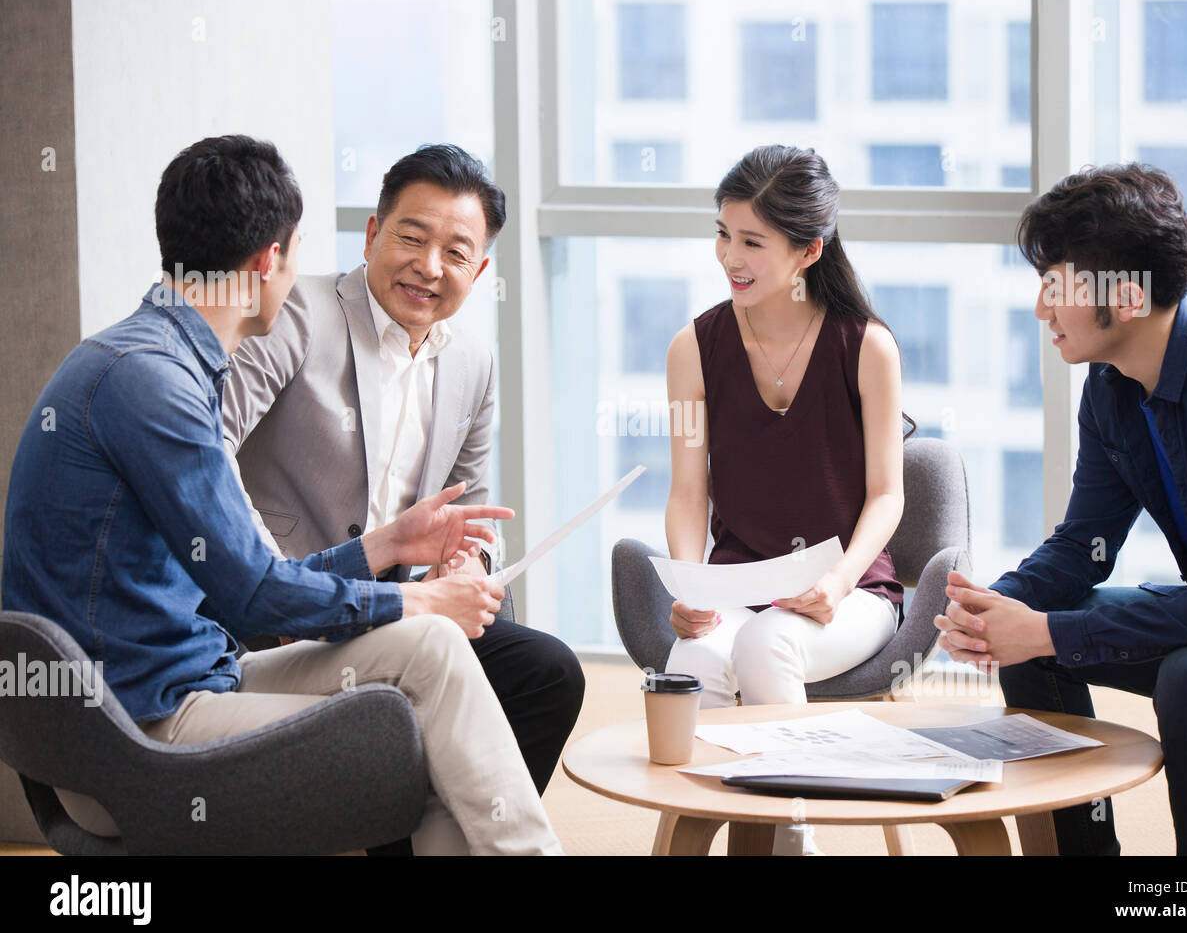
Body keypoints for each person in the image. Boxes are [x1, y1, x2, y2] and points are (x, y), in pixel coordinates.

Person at [1, 134, 561, 855]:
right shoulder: (155, 386)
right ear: (269, 260)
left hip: (172, 690)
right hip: (138, 735)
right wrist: (416, 596)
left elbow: (246, 579)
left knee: (430, 655)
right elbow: (253, 596)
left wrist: (387, 548)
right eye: (294, 254)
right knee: (424, 726)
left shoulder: (147, 359)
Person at [936, 162, 1187, 856]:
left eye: (1057, 286)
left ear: (1127, 298)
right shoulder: (1110, 384)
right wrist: (997, 608)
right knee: (1039, 649)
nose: (1042, 309)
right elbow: (1082, 547)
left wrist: (1045, 628)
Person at [221, 144, 583, 808]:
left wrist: (465, 568)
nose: (429, 266)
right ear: (372, 234)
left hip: (395, 609)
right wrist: (275, 583)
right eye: (411, 238)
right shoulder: (294, 316)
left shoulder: (472, 361)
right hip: (280, 615)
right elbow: (209, 453)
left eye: (455, 251)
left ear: (479, 268)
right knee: (390, 715)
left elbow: (470, 509)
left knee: (548, 672)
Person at [663, 145, 908, 854]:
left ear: (808, 252)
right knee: (696, 664)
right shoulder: (693, 350)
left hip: (851, 593)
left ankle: (796, 841)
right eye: (721, 233)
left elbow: (888, 495)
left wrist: (837, 580)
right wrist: (690, 581)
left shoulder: (867, 347)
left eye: (751, 242)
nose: (728, 257)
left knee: (768, 644)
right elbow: (687, 490)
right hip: (738, 582)